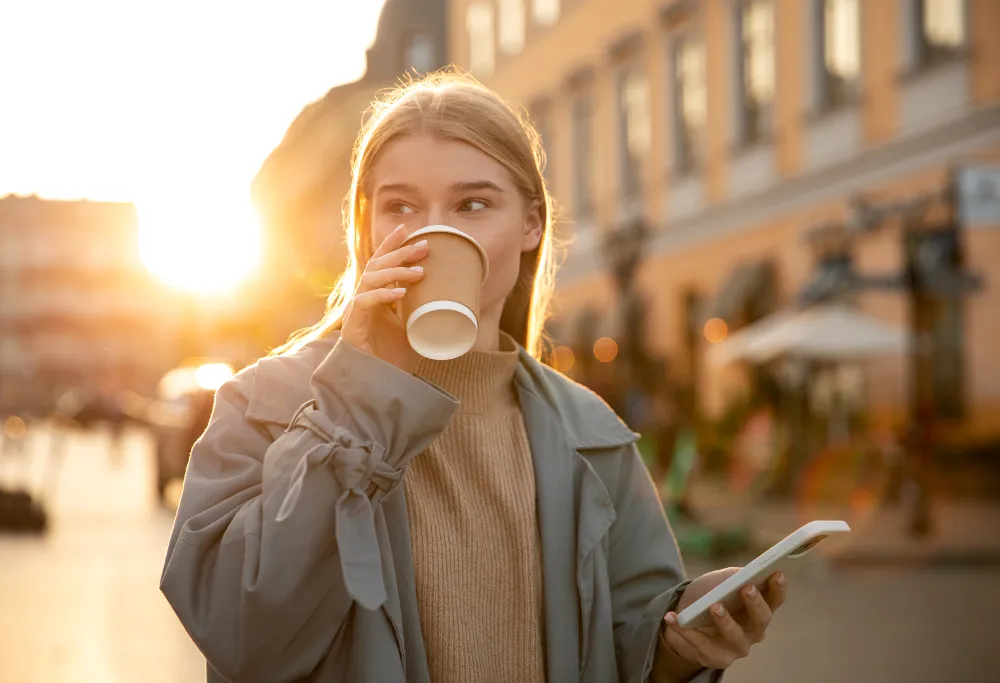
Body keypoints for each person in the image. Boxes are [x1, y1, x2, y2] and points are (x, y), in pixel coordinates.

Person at [160, 72, 787, 683]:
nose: (436, 234)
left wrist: (681, 641)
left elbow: (624, 642)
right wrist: (359, 397)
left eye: (473, 204)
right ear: (366, 228)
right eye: (400, 206)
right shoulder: (263, 405)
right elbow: (242, 636)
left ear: (530, 225)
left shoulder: (590, 432)